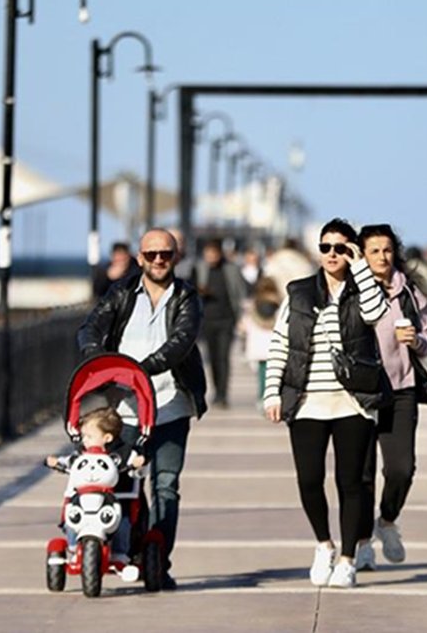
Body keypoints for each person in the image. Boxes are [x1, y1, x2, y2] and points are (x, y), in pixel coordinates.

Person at [76, 227, 208, 590]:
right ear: (140, 258)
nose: (159, 260)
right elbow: (90, 327)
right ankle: (131, 549)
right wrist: (98, 360)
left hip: (170, 405)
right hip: (125, 410)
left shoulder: (187, 297)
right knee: (123, 483)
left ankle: (159, 561)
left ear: (176, 257)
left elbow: (181, 342)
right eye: (151, 254)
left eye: (166, 254)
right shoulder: (121, 293)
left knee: (166, 485)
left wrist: (139, 370)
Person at [263, 218, 389, 589]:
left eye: (340, 248)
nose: (332, 254)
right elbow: (280, 344)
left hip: (352, 402)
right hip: (306, 402)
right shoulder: (299, 293)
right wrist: (272, 392)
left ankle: (348, 558)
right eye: (325, 247)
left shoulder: (364, 288)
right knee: (309, 480)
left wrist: (361, 269)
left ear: (352, 251)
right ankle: (324, 544)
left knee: (351, 482)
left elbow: (376, 315)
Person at [353, 224, 427, 570]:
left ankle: (387, 521)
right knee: (361, 475)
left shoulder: (410, 292)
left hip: (401, 389)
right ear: (362, 255)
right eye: (374, 251)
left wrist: (417, 340)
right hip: (359, 393)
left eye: (387, 250)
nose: (382, 257)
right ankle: (361, 544)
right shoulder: (351, 290)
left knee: (401, 468)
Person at [45, 407, 140, 561]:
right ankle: (74, 546)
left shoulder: (122, 453)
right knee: (73, 516)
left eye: (89, 436)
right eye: (83, 436)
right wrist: (57, 462)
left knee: (122, 521)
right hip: (84, 496)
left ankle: (120, 552)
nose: (84, 440)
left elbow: (135, 462)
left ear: (107, 438)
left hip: (115, 497)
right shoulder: (82, 453)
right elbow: (71, 461)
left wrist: (138, 462)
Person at [193, 239, 247, 408]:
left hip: (227, 320)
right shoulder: (200, 268)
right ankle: (216, 391)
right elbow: (192, 289)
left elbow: (240, 291)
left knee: (223, 358)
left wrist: (241, 316)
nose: (211, 257)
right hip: (207, 321)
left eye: (213, 254)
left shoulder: (231, 269)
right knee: (212, 358)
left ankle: (223, 394)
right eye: (208, 254)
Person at [239, 276, 281, 400]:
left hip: (258, 341)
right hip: (273, 340)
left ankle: (262, 395)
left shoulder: (254, 304)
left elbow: (244, 324)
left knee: (262, 370)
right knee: (273, 370)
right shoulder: (280, 303)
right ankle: (270, 394)